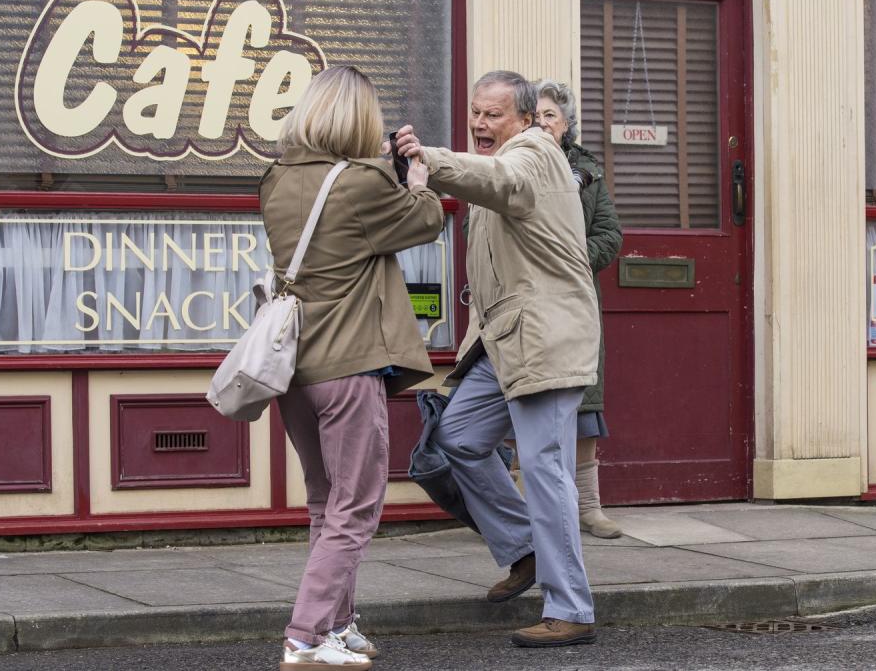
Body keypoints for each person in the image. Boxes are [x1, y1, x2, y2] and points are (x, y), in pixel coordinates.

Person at [397, 70, 601, 648]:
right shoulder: (509, 161)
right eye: (475, 113)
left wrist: (426, 158)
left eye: (493, 115)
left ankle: (572, 609)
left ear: (526, 118)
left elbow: (495, 177)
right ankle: (526, 549)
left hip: (544, 338)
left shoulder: (533, 153)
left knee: (546, 472)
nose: (481, 124)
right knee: (456, 438)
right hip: (502, 341)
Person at [262, 65, 443, 670]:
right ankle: (307, 636)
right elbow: (422, 222)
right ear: (362, 120)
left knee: (325, 502)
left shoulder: (276, 180)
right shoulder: (365, 182)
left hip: (295, 370)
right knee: (357, 505)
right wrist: (416, 179)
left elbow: (346, 233)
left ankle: (337, 625)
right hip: (349, 368)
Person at [534, 79, 623, 539]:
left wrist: (568, 257)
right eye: (535, 115)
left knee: (583, 407)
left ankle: (588, 507)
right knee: (523, 406)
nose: (542, 122)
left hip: (574, 304)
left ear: (567, 124)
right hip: (524, 304)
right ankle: (523, 512)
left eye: (550, 115)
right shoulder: (510, 164)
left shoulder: (587, 172)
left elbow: (610, 235)